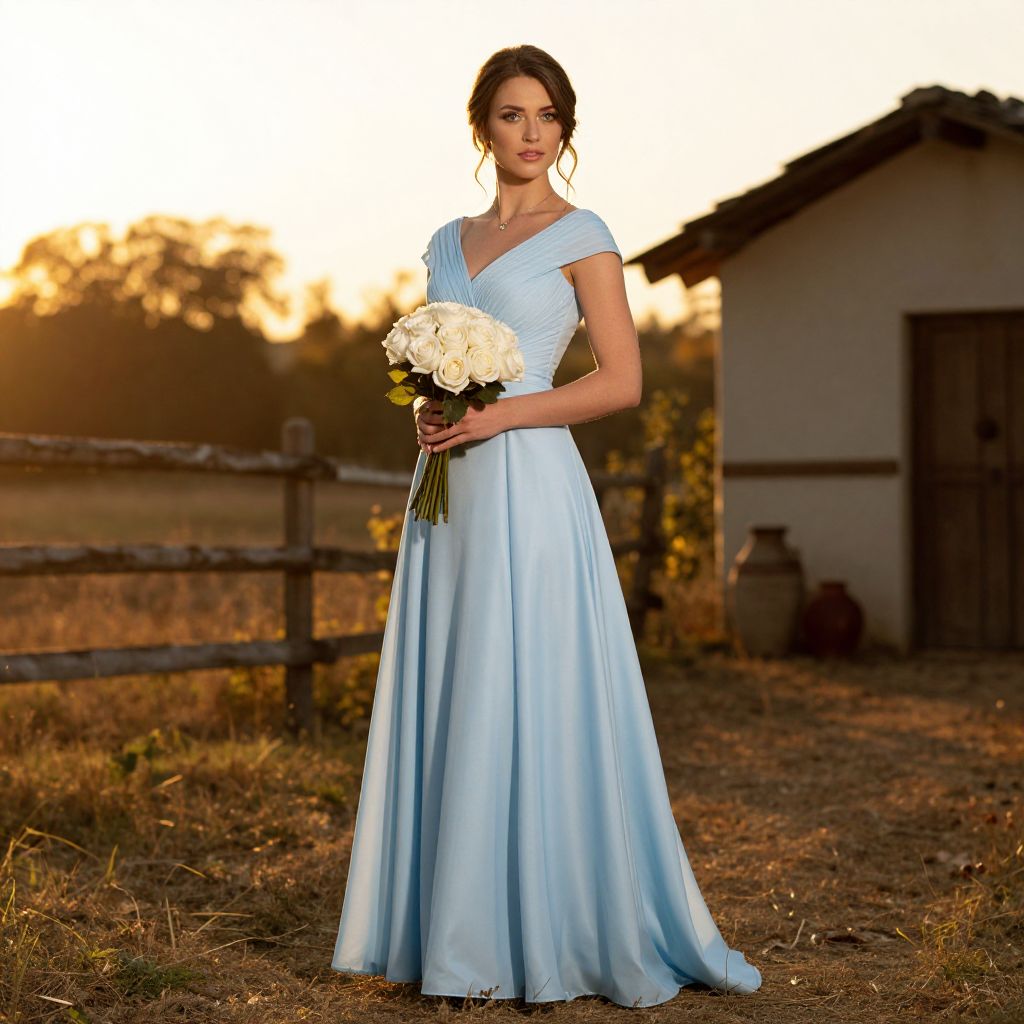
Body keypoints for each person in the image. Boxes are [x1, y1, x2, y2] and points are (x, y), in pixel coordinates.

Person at [330, 43, 762, 1008]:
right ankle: (448, 934)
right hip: (448, 489)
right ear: (482, 124)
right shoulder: (446, 240)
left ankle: (546, 926)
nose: (534, 133)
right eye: (515, 115)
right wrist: (428, 412)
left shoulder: (585, 234)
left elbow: (621, 382)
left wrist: (500, 413)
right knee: (456, 678)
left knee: (527, 679)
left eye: (551, 116)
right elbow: (433, 369)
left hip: (530, 484)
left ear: (565, 130)